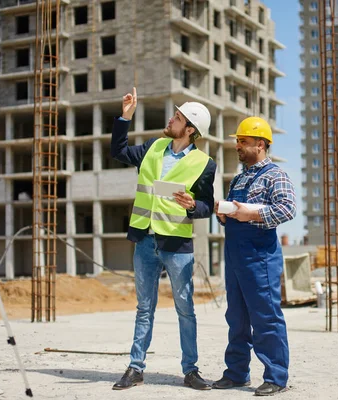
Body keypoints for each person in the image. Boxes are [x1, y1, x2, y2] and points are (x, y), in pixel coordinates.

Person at [110, 87, 216, 391]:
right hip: (145, 240)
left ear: (190, 129)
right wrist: (124, 117)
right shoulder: (154, 147)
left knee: (185, 309)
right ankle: (136, 367)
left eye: (177, 117)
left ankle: (191, 370)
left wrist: (193, 205)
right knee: (144, 307)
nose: (171, 119)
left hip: (177, 246)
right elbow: (118, 151)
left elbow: (207, 205)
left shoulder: (204, 164)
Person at [212, 117, 296, 396]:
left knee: (265, 318)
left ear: (260, 144)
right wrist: (224, 215)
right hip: (235, 257)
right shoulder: (239, 177)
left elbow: (287, 209)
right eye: (237, 141)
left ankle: (276, 376)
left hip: (260, 258)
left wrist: (254, 213)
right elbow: (234, 217)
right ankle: (236, 373)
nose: (237, 146)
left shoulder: (275, 175)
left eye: (243, 141)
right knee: (236, 316)